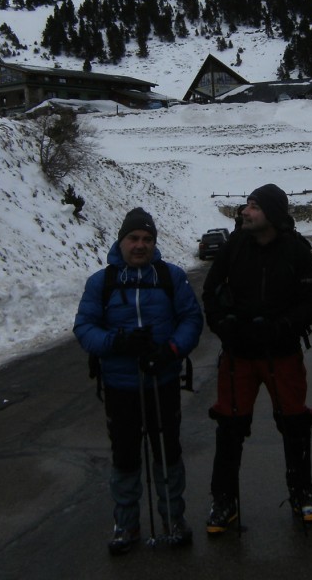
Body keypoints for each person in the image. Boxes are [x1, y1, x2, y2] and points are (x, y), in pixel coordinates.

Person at [73, 207, 204, 555]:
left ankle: (174, 518)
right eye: (134, 238)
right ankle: (126, 523)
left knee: (168, 452)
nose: (140, 245)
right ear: (121, 241)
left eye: (147, 239)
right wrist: (116, 342)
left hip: (161, 381)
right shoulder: (101, 283)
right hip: (121, 386)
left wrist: (170, 351)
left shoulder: (170, 277)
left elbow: (192, 318)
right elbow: (84, 328)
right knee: (125, 456)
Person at [202, 184, 312, 534]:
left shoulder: (295, 250)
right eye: (246, 206)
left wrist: (283, 326)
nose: (245, 212)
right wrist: (225, 326)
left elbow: (310, 298)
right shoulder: (234, 246)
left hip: (281, 352)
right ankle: (223, 500)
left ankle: (302, 494)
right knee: (229, 427)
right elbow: (210, 292)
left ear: (270, 213)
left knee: (295, 426)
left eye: (252, 206)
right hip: (239, 353)